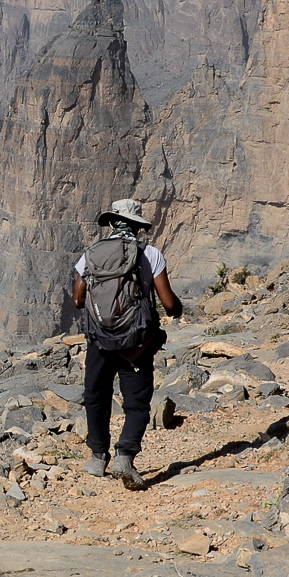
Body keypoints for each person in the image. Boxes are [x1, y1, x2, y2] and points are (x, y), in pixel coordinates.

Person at [71, 198, 183, 490]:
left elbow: (77, 299)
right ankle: (126, 454)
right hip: (137, 343)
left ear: (111, 223)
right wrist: (177, 310)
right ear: (138, 226)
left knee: (96, 394)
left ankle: (97, 457)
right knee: (136, 404)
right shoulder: (151, 255)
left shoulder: (91, 255)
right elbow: (169, 303)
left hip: (100, 341)